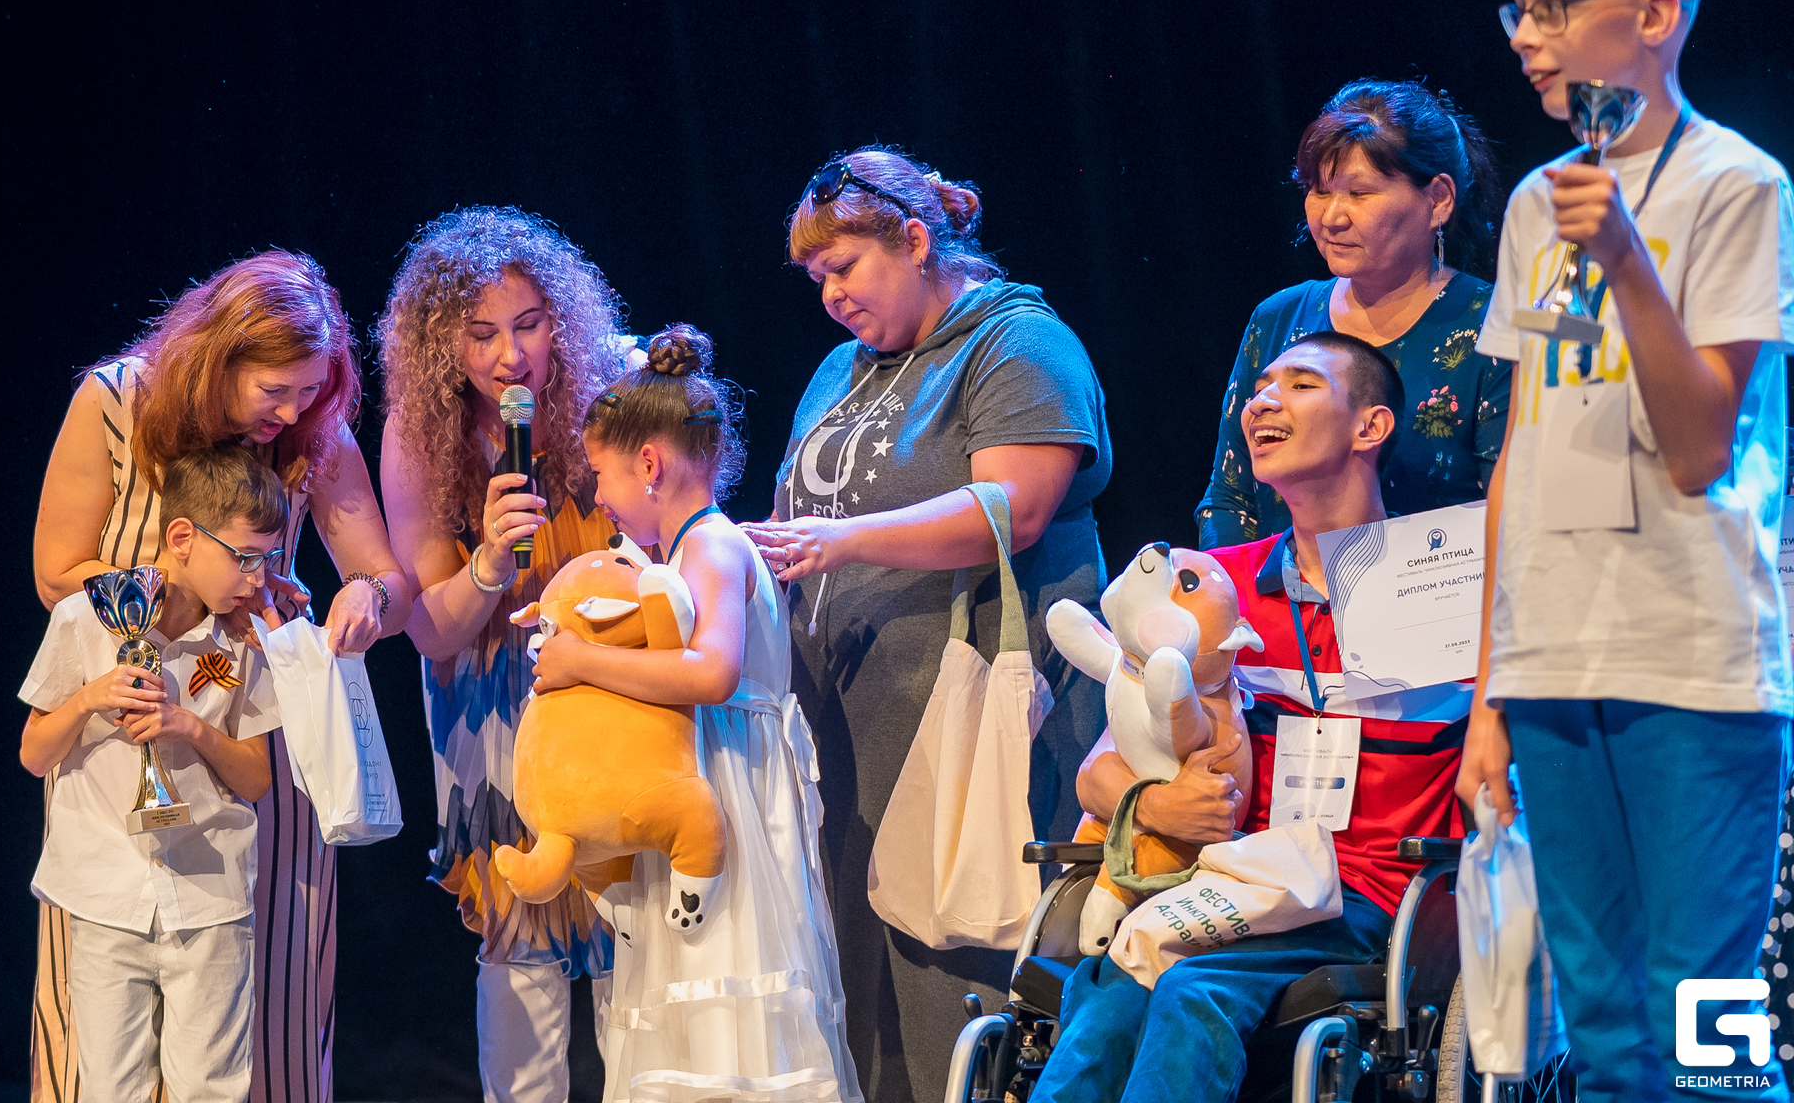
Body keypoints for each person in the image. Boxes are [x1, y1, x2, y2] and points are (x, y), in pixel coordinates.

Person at [1459, 0, 1794, 1102]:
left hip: (1691, 653)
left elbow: (1701, 445)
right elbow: (1527, 446)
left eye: (1554, 8)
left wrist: (1628, 262)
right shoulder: (1537, 203)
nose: (1527, 38)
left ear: (1655, 16)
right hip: (1554, 655)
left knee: (1702, 1011)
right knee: (1598, 1021)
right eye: (1519, 10)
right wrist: (1491, 688)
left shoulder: (1736, 185)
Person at [743, 148, 1112, 1102]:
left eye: (845, 267)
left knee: (962, 980)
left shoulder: (1018, 343)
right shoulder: (840, 368)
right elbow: (797, 520)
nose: (831, 296)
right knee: (863, 996)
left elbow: (1013, 508)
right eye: (816, 278)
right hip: (846, 726)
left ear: (915, 240)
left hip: (968, 721)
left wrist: (840, 540)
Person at [1033, 332, 1469, 1103]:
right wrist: (1155, 804)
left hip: (1374, 896)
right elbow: (1099, 771)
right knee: (1111, 986)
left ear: (1370, 426)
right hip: (1236, 879)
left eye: (1300, 384)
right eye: (1261, 386)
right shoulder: (1212, 588)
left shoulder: (1444, 584)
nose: (1263, 401)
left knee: (1189, 986)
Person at [30, 249, 407, 1103]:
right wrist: (187, 595)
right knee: (105, 1043)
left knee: (263, 1024)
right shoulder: (117, 402)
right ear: (218, 359)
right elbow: (56, 574)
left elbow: (384, 574)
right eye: (275, 389)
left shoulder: (314, 434)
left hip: (249, 747)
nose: (293, 409)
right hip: (119, 743)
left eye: (310, 389)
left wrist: (368, 597)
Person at [528, 324, 862, 1102]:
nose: (599, 498)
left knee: (725, 1006)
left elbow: (712, 672)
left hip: (731, 803)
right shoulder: (683, 554)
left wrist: (582, 663)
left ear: (649, 464)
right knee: (693, 1009)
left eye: (601, 476)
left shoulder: (710, 547)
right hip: (701, 793)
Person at [377, 206, 634, 1103]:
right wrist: (488, 562)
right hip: (496, 718)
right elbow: (431, 632)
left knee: (634, 937)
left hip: (616, 697)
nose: (510, 357)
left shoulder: (617, 389)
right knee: (521, 946)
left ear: (563, 317)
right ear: (439, 345)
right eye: (480, 335)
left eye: (529, 325)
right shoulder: (419, 435)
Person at [19, 445, 288, 1103]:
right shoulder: (85, 619)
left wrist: (191, 727)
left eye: (268, 559)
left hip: (209, 896)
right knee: (112, 1089)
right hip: (107, 895)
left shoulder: (245, 639)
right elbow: (34, 754)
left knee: (210, 1090)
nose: (256, 578)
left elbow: (257, 780)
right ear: (182, 538)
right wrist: (90, 698)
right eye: (245, 557)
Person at [1197, 80, 1511, 547]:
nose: (1332, 217)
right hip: (1284, 590)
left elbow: (1514, 509)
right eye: (1320, 191)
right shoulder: (1278, 318)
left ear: (1438, 199)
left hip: (1444, 585)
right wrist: (1228, 586)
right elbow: (1232, 497)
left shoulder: (1495, 324)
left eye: (1360, 193)